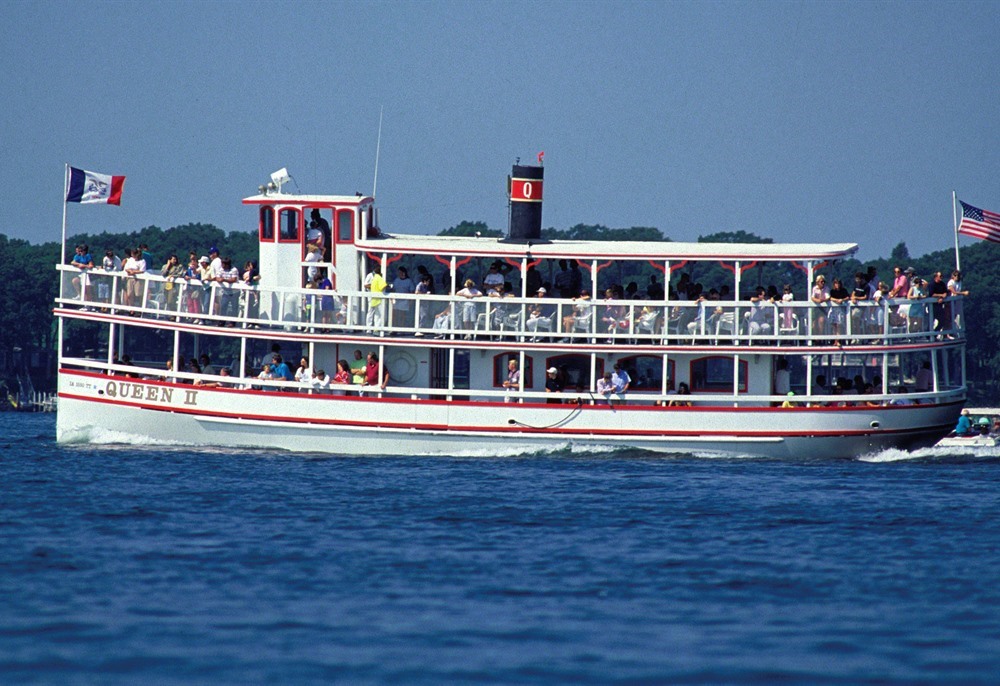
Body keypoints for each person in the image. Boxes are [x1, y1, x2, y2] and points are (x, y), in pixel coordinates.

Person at [390, 266, 416, 331]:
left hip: (405, 301)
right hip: (396, 300)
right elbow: (393, 290)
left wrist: (410, 301)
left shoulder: (409, 281)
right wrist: (391, 298)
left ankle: (401, 328)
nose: (399, 273)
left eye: (400, 272)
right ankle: (394, 328)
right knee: (394, 315)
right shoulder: (396, 280)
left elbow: (412, 291)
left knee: (402, 316)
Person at [364, 264, 388, 332]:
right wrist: (374, 286)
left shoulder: (379, 277)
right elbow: (365, 285)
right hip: (371, 296)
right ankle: (368, 328)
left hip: (377, 297)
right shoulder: (370, 275)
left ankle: (376, 328)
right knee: (371, 312)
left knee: (377, 313)